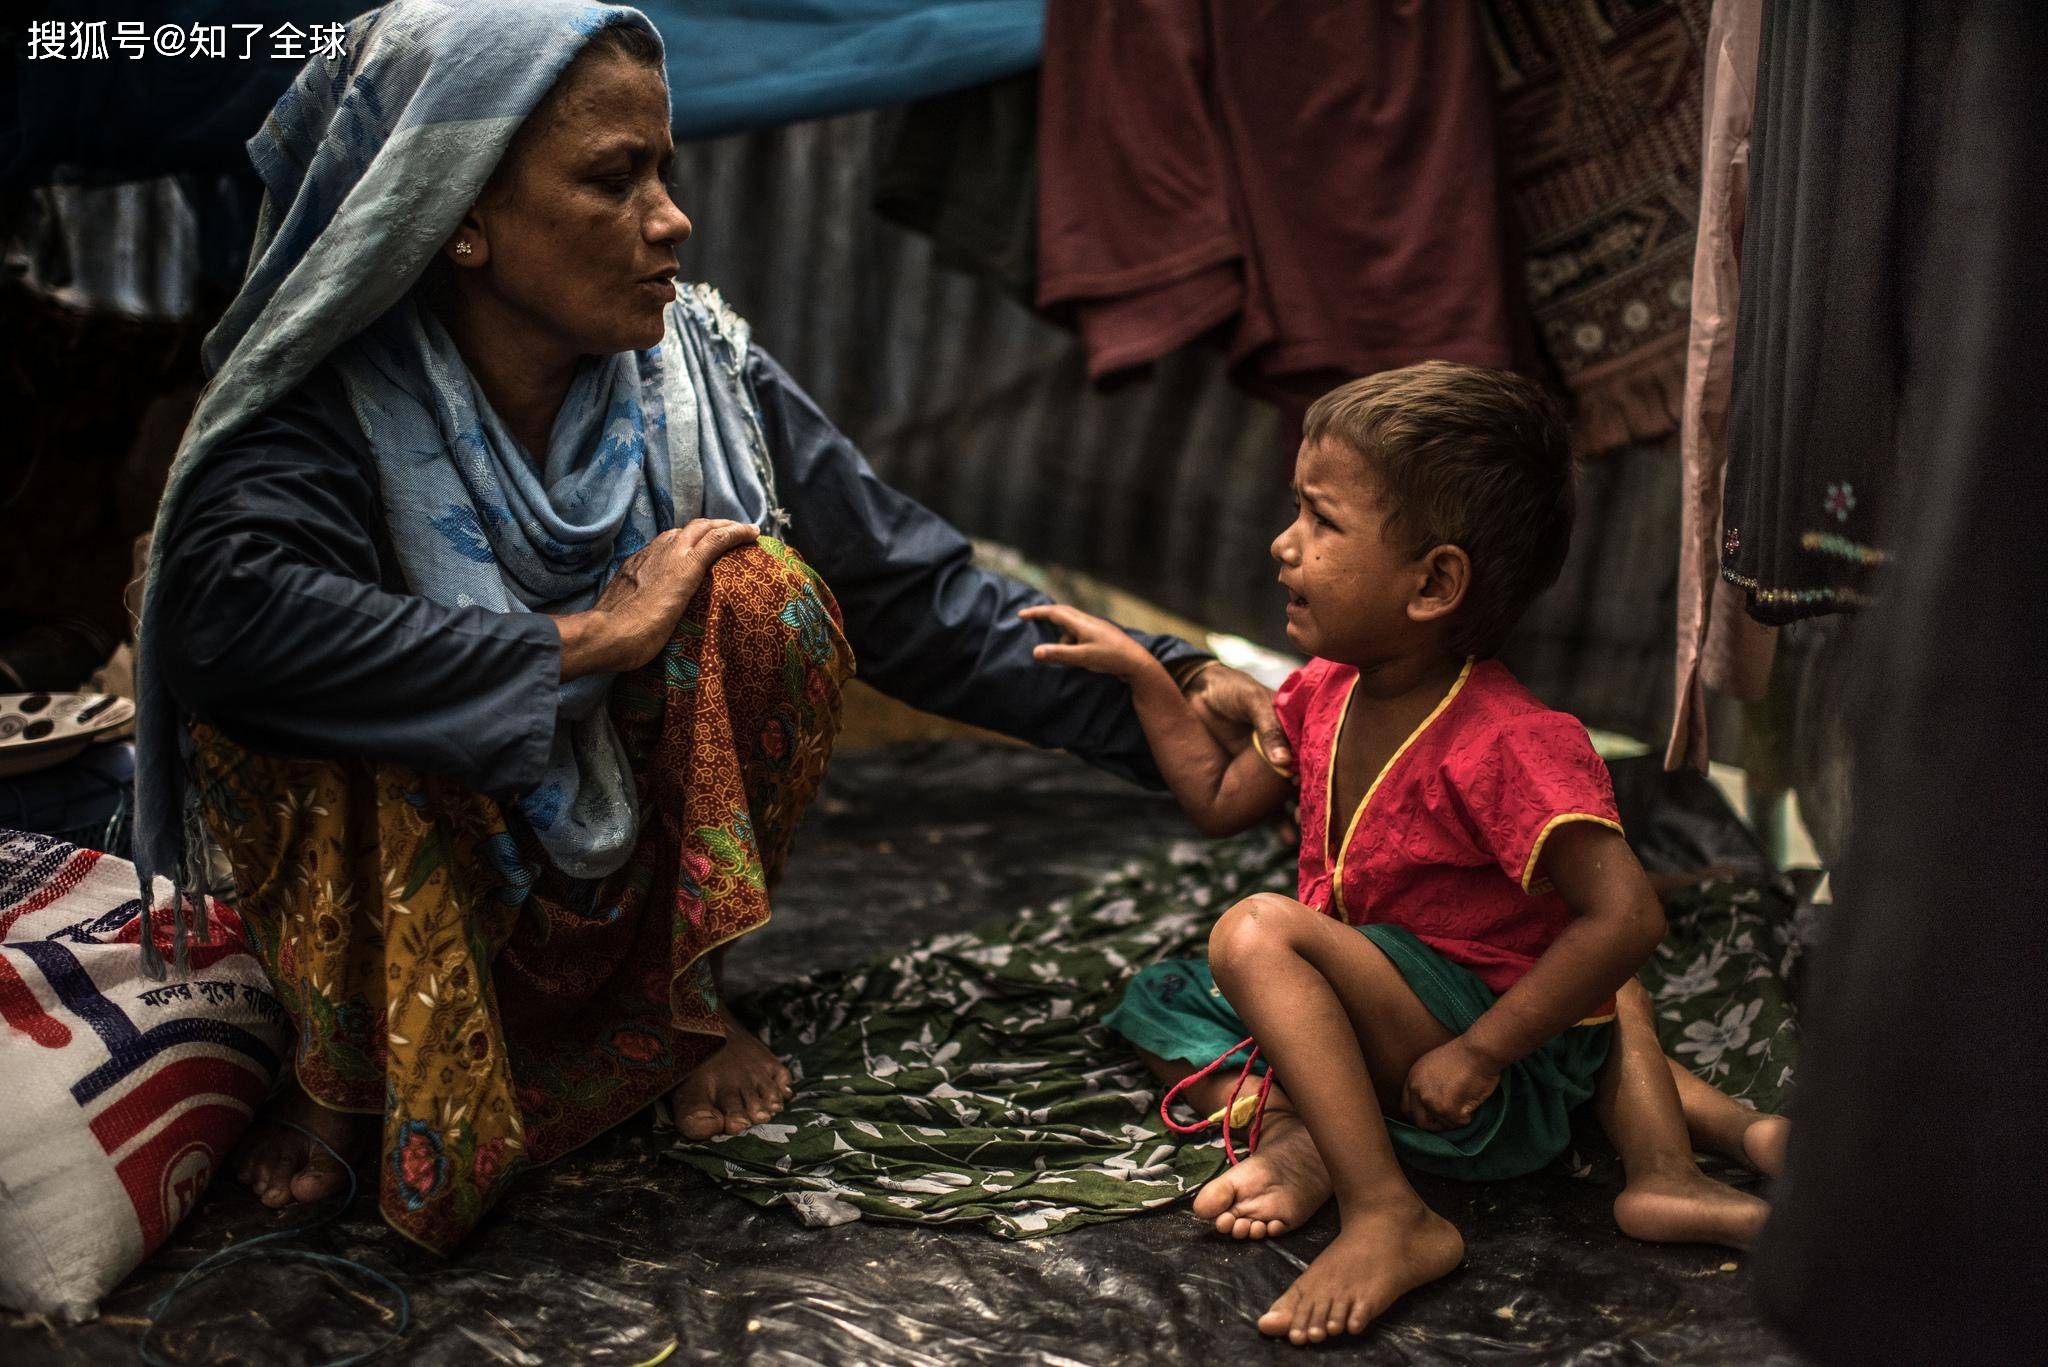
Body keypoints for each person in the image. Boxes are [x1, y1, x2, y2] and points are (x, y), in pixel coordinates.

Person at [131, 0, 1279, 1255]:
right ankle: (346, 1055)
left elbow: (912, 592)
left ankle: (675, 1001)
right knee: (277, 662)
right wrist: (581, 641)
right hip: (421, 885)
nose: (671, 218)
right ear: (459, 214)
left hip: (619, 880)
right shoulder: (327, 400)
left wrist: (1169, 681)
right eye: (614, 179)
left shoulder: (698, 373)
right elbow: (223, 620)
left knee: (762, 593)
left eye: (665, 171)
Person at [1023, 362, 1788, 1344]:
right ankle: (1319, 1129)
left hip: (1476, 1068)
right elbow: (1219, 801)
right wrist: (1146, 677)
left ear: (1432, 581)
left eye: (1319, 520)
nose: (1280, 543)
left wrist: (1480, 1049)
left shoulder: (1509, 739)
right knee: (1161, 997)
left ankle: (1387, 1204)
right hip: (1391, 1016)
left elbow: (1627, 918)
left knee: (1257, 932)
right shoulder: (1316, 691)